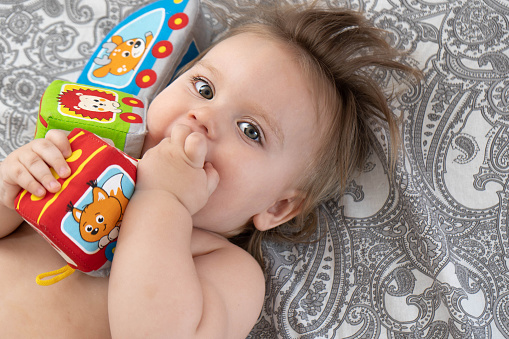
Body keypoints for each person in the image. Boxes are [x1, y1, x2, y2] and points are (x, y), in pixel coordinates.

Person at [0, 3, 419, 338]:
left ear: (278, 207)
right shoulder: (76, 164)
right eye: (204, 88)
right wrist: (10, 185)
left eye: (250, 131)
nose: (203, 117)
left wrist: (162, 200)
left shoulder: (224, 270)